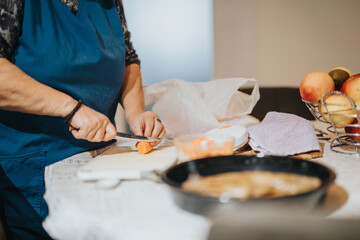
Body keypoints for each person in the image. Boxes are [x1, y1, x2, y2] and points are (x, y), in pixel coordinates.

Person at [0, 0, 165, 238]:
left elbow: (128, 59)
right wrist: (70, 108)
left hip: (105, 163)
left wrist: (136, 113)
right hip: (35, 172)